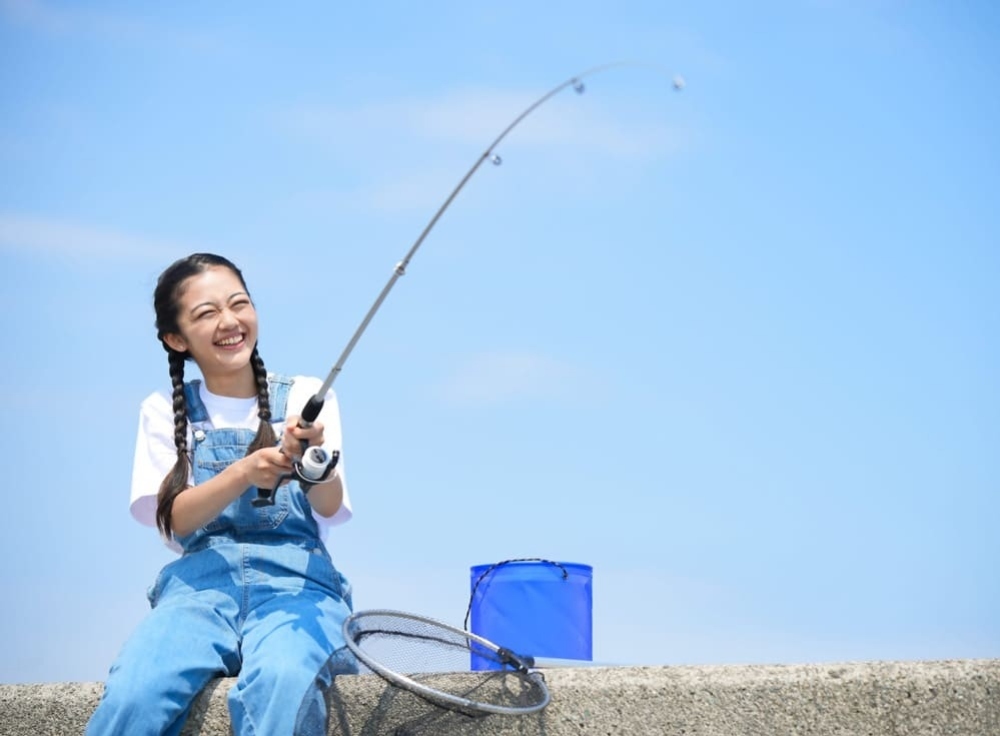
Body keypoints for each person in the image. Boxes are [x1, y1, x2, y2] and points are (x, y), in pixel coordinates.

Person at [87, 253, 357, 735]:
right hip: (197, 592)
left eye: (239, 304)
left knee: (283, 678)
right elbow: (175, 519)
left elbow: (330, 505)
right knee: (136, 690)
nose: (230, 322)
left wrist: (312, 462)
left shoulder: (307, 396)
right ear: (176, 339)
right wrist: (244, 472)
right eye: (206, 313)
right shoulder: (162, 409)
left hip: (297, 589)